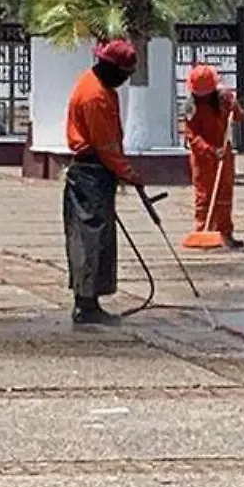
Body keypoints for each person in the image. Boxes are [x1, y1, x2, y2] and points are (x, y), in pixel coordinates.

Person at [63, 39, 143, 325]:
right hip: (91, 174)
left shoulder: (96, 84)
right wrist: (129, 174)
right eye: (125, 73)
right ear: (112, 68)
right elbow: (106, 144)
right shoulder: (95, 96)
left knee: (95, 238)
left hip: (97, 172)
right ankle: (86, 305)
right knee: (90, 239)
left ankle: (90, 299)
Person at [182, 64, 244, 250]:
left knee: (224, 195)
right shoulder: (190, 106)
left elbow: (240, 117)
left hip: (224, 153)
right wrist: (210, 151)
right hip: (203, 159)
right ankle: (203, 231)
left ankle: (225, 233)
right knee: (204, 196)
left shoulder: (224, 99)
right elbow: (192, 136)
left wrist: (235, 107)